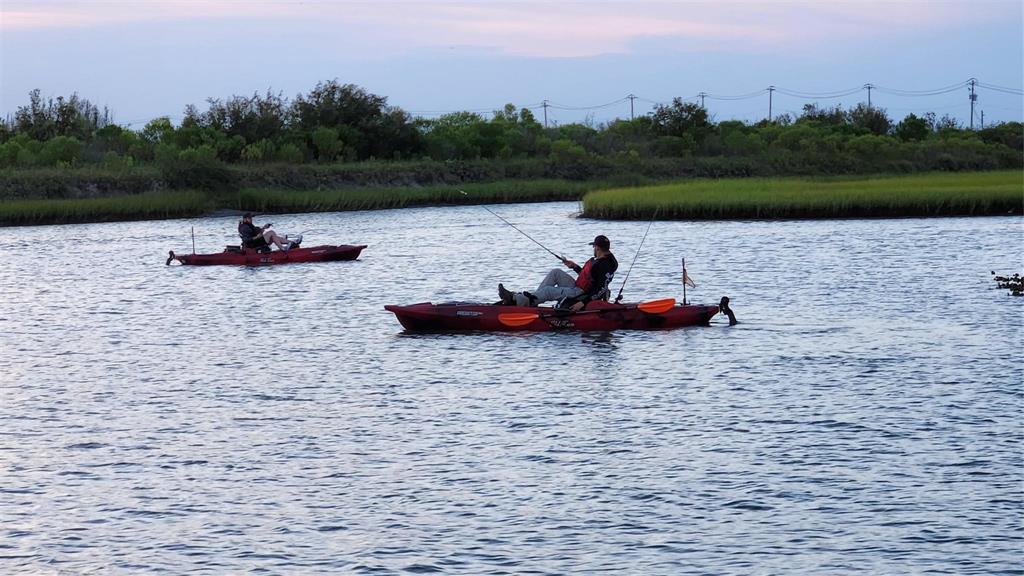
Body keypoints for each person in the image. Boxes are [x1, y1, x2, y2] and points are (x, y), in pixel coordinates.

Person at [498, 235, 618, 311]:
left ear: (597, 248)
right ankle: (532, 300)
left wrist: (582, 303)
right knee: (556, 272)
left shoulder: (603, 265)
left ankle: (519, 300)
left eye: (594, 247)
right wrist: (574, 267)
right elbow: (591, 277)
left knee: (548, 291)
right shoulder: (607, 260)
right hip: (579, 286)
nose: (593, 249)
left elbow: (600, 288)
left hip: (581, 293)